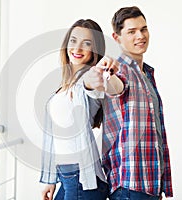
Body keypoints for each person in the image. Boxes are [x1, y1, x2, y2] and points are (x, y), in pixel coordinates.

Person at [83, 6, 173, 200]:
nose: (140, 35)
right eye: (131, 32)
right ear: (117, 38)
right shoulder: (119, 70)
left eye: (143, 29)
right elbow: (115, 85)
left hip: (151, 184)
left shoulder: (147, 74)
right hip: (130, 185)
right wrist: (96, 78)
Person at [40, 19, 121, 200]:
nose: (77, 48)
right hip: (68, 177)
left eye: (87, 43)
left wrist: (101, 69)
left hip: (81, 179)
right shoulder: (66, 85)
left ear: (95, 50)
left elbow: (92, 82)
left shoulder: (89, 79)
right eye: (73, 40)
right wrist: (51, 180)